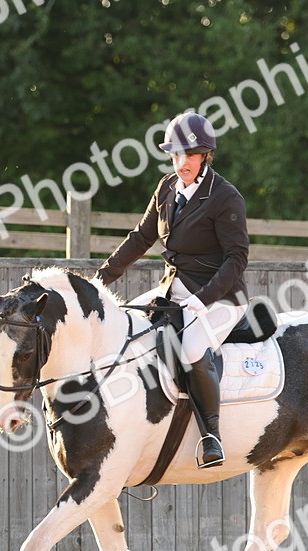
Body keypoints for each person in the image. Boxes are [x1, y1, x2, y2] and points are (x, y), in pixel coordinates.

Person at [95, 112, 249, 469]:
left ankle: (211, 437)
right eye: (176, 155)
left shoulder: (225, 197)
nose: (182, 163)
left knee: (192, 348)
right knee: (127, 325)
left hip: (221, 296)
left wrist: (203, 299)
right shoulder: (167, 187)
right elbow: (141, 238)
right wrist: (99, 280)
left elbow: (236, 259)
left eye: (190, 155)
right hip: (174, 290)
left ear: (205, 156)